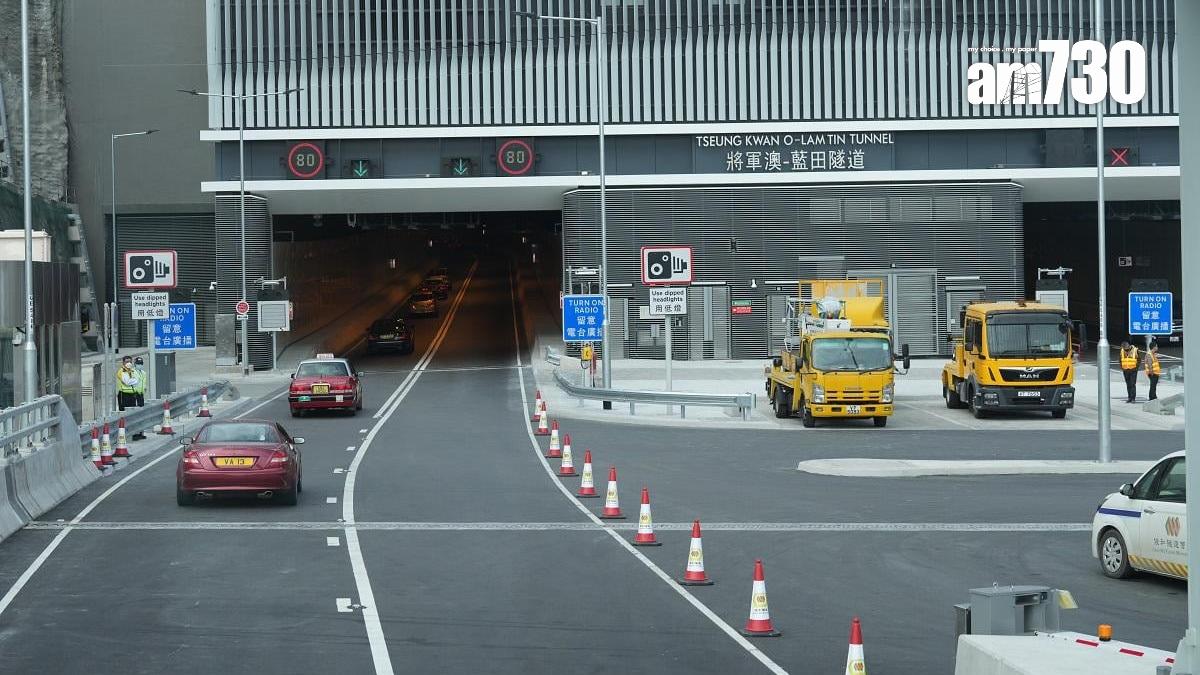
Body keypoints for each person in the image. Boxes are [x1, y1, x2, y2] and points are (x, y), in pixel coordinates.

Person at [131, 356, 148, 440]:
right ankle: (134, 433)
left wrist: (144, 389)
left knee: (141, 414)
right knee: (135, 414)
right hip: (134, 394)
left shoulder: (143, 373)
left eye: (141, 364)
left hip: (141, 394)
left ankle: (141, 432)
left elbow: (143, 383)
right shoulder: (132, 372)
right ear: (135, 364)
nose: (139, 365)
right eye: (138, 364)